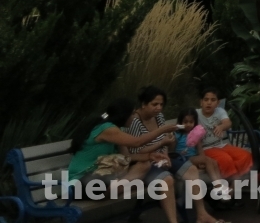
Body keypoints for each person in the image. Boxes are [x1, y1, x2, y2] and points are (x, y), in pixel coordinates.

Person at [67, 98, 192, 223]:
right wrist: (162, 130)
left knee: (144, 165)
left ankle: (117, 187)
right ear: (123, 115)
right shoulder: (106, 129)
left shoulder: (118, 129)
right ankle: (119, 187)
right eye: (132, 114)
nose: (134, 117)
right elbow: (137, 142)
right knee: (129, 178)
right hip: (81, 183)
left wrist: (150, 156)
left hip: (104, 179)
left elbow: (127, 157)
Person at [121, 90, 224, 223]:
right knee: (167, 180)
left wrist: (165, 153)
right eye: (154, 104)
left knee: (191, 170)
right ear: (143, 104)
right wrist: (161, 144)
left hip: (162, 157)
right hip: (144, 162)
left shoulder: (158, 117)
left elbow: (165, 139)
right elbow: (136, 150)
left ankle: (202, 215)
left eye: (161, 104)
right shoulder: (135, 121)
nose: (159, 108)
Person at [197, 87, 253, 179]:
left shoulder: (220, 111)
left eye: (213, 100)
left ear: (218, 103)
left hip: (221, 145)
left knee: (245, 155)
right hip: (206, 148)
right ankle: (232, 186)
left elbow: (228, 122)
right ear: (201, 102)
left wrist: (221, 127)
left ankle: (234, 184)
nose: (209, 102)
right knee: (226, 159)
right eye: (206, 100)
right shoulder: (196, 114)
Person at [171, 108, 223, 183]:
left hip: (193, 157)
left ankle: (220, 183)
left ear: (195, 122)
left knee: (213, 162)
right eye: (185, 122)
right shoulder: (178, 135)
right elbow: (172, 151)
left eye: (191, 122)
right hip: (182, 158)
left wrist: (201, 161)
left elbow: (200, 149)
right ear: (180, 122)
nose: (188, 124)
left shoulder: (195, 134)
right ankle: (217, 185)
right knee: (207, 160)